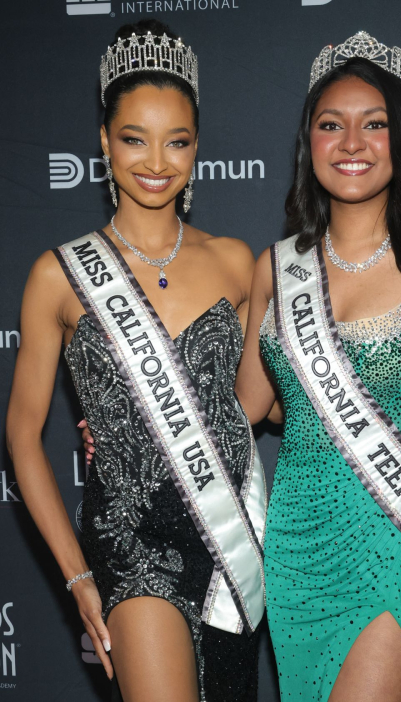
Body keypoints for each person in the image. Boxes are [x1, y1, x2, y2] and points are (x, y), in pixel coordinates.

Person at [6, 19, 267, 702]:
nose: (157, 161)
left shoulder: (238, 263)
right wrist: (77, 575)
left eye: (176, 140)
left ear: (197, 147)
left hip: (228, 541)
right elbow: (22, 434)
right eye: (134, 138)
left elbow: (249, 409)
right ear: (103, 142)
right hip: (130, 545)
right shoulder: (58, 275)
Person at [235, 32, 401, 702]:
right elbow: (246, 410)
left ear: (400, 142)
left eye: (373, 124)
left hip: (391, 538)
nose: (352, 142)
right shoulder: (276, 269)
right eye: (332, 125)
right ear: (309, 143)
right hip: (294, 554)